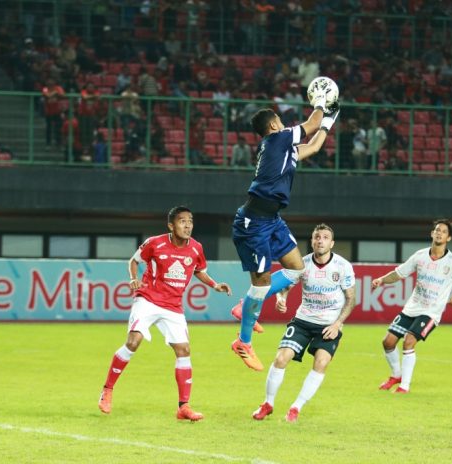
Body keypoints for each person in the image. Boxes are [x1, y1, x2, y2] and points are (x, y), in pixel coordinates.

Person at [229, 85, 341, 371]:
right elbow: (311, 124)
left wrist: (330, 118)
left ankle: (246, 306)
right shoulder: (277, 139)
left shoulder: (284, 149)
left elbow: (315, 143)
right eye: (280, 119)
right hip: (253, 222)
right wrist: (321, 102)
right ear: (274, 124)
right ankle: (243, 341)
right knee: (261, 284)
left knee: (295, 268)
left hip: (272, 219)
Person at [98, 206, 232, 421]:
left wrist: (214, 285)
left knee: (184, 350)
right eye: (182, 221)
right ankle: (107, 390)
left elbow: (199, 270)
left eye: (190, 221)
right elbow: (134, 260)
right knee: (133, 342)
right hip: (148, 300)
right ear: (171, 225)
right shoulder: (155, 243)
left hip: (173, 306)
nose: (187, 225)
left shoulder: (196, 248)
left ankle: (183, 407)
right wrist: (133, 278)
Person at [251, 223, 355, 423]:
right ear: (312, 241)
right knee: (281, 359)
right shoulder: (302, 263)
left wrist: (337, 324)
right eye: (317, 236)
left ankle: (296, 407)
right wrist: (281, 298)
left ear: (331, 243)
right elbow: (286, 286)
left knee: (321, 362)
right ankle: (268, 403)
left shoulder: (343, 267)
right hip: (303, 321)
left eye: (325, 237)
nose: (320, 240)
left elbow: (351, 299)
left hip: (329, 324)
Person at [372, 219, 452, 394]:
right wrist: (381, 280)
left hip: (431, 313)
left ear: (448, 238)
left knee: (409, 341)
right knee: (387, 342)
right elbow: (399, 273)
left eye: (443, 231)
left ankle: (405, 386)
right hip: (412, 308)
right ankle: (396, 375)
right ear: (432, 234)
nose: (439, 233)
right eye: (436, 230)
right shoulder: (419, 256)